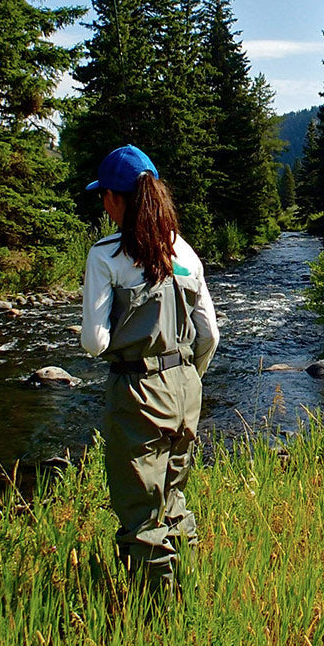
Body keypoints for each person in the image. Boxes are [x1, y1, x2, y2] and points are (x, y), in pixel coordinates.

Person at [79, 145, 218, 589]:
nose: (103, 202)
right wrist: (189, 376)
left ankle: (156, 616)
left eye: (105, 195)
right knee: (173, 498)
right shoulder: (186, 253)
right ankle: (189, 590)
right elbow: (209, 334)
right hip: (185, 388)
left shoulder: (105, 255)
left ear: (117, 199)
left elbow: (94, 343)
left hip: (138, 390)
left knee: (141, 509)